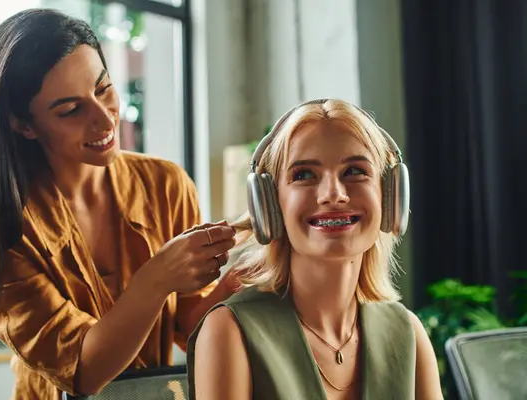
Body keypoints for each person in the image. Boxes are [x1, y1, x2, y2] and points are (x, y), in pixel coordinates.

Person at [0, 8, 238, 400]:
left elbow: (189, 323)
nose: (105, 121)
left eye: (104, 88)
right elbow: (84, 374)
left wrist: (243, 277)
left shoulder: (165, 184)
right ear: (22, 124)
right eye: (71, 110)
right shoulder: (2, 229)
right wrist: (156, 279)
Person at [187, 99, 443, 399]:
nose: (333, 194)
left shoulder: (406, 332)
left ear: (390, 196)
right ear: (269, 205)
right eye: (304, 175)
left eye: (355, 171)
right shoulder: (229, 332)